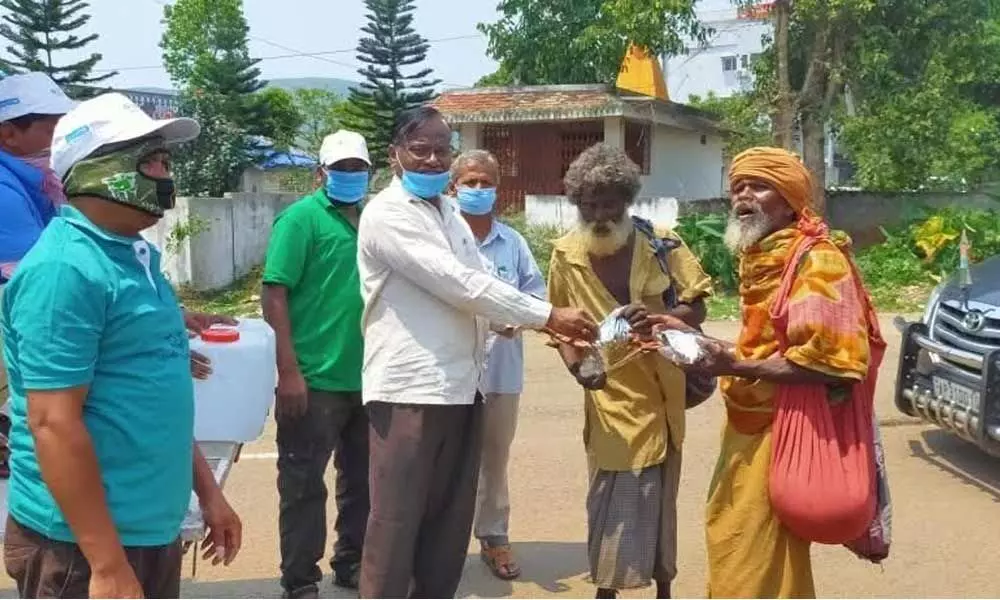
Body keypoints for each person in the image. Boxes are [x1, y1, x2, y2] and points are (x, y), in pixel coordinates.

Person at [1, 92, 243, 599]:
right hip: (81, 547)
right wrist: (107, 564)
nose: (163, 174)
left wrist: (208, 493)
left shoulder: (137, 260)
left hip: (145, 527)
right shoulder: (65, 271)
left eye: (165, 160)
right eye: (149, 160)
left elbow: (154, 392)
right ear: (95, 169)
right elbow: (53, 424)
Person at [356, 105, 597, 599]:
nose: (431, 160)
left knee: (448, 524)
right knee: (396, 523)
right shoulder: (386, 214)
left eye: (441, 150)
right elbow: (457, 283)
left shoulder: (449, 213)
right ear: (395, 154)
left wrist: (519, 321)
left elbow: (483, 284)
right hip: (410, 390)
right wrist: (547, 315)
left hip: (465, 387)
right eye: (419, 149)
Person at [679, 147, 875, 598]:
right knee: (734, 537)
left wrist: (735, 364)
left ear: (789, 199)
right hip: (747, 424)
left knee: (751, 556)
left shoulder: (818, 261)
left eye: (758, 186)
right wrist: (699, 339)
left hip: (785, 427)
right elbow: (768, 347)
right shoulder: (761, 257)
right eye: (737, 187)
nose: (743, 196)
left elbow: (836, 364)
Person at [546, 143, 713, 600]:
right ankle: (607, 588)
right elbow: (560, 327)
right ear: (577, 204)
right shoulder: (565, 255)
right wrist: (581, 372)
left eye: (610, 203)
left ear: (626, 200)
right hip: (607, 398)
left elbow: (697, 303)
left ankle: (664, 586)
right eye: (590, 203)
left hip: (664, 394)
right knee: (611, 496)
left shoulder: (662, 243)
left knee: (661, 497)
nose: (600, 213)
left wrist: (664, 319)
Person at [262, 130, 372, 598]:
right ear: (320, 173)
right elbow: (274, 294)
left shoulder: (375, 220)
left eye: (358, 168)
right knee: (304, 485)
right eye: (340, 168)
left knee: (364, 483)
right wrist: (289, 372)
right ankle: (300, 579)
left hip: (371, 377)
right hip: (313, 380)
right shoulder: (300, 220)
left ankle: (352, 561)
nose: (350, 176)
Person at [450, 149, 545, 581]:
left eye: (485, 182)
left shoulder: (514, 243)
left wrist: (516, 319)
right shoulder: (441, 239)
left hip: (502, 372)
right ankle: (439, 544)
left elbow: (536, 297)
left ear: (497, 190)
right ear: (453, 188)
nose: (477, 189)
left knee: (494, 458)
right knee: (444, 459)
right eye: (469, 182)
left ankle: (493, 537)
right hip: (449, 371)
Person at [0, 72, 75, 444]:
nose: (59, 141)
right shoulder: (3, 191)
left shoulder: (41, 182)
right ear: (8, 134)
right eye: (51, 130)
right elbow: (49, 284)